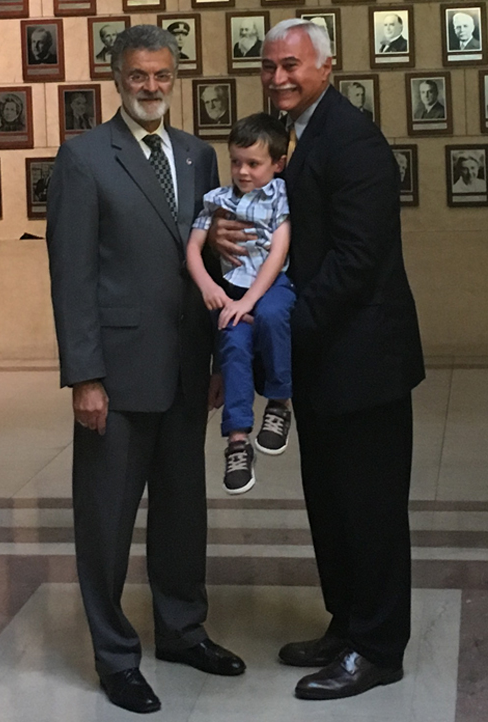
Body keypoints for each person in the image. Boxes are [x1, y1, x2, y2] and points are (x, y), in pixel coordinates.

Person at [211, 17, 424, 701]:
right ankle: (346, 624)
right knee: (330, 505)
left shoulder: (353, 143)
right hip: (322, 361)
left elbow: (357, 264)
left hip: (364, 361)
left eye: (291, 66)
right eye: (269, 66)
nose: (277, 78)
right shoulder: (288, 142)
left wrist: (282, 333)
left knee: (371, 508)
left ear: (326, 68)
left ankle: (379, 648)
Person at [46, 24, 245, 716]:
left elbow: (216, 265)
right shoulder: (83, 159)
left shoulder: (198, 157)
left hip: (189, 368)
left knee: (183, 515)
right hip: (118, 378)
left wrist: (224, 359)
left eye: (163, 75)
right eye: (139, 76)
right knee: (105, 520)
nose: (152, 87)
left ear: (175, 77)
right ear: (117, 78)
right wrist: (85, 377)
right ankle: (115, 657)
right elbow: (71, 278)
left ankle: (183, 630)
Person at [187, 113, 295, 494]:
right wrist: (207, 287)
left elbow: (278, 253)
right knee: (231, 344)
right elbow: (194, 249)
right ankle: (236, 440)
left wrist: (248, 300)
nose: (243, 171)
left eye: (253, 163)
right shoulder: (218, 200)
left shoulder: (281, 195)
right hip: (232, 288)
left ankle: (279, 401)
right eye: (236, 162)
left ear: (277, 164)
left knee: (272, 315)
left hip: (270, 284)